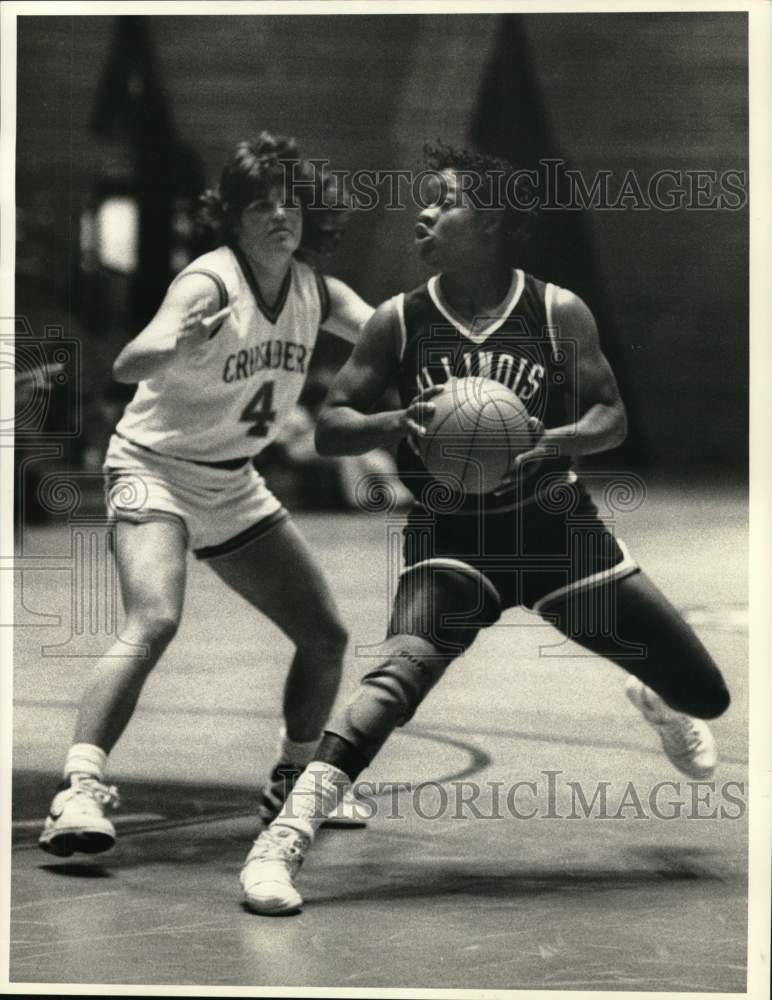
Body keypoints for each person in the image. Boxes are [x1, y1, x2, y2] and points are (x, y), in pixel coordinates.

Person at [238, 144, 731, 915]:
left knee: (708, 695)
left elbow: (611, 418)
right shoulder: (399, 321)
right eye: (423, 202)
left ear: (492, 221)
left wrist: (551, 439)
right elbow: (331, 427)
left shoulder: (557, 310)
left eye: (446, 200)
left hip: (555, 531)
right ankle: (284, 839)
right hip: (452, 538)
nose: (425, 212)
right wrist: (399, 419)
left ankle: (654, 695)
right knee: (392, 684)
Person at [39, 133, 373, 857]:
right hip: (152, 467)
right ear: (234, 218)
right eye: (261, 205)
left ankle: (294, 778)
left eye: (290, 201)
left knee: (324, 636)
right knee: (155, 616)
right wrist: (178, 345)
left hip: (232, 481)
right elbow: (133, 361)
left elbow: (392, 335)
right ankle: (79, 791)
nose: (280, 215)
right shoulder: (208, 283)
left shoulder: (318, 291)